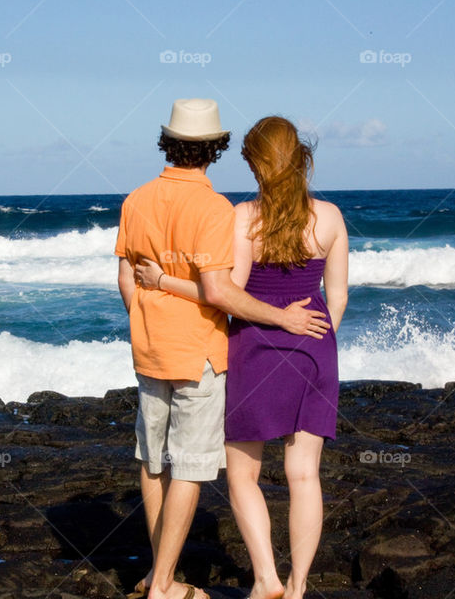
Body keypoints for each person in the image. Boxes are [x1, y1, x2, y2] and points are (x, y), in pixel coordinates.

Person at [115, 100, 330, 599]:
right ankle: (164, 584)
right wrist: (284, 318)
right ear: (215, 149)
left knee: (152, 461)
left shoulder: (135, 200)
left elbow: (126, 279)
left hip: (149, 348)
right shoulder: (215, 209)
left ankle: (158, 573)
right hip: (202, 351)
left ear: (168, 142)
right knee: (189, 465)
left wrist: (147, 318)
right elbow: (220, 291)